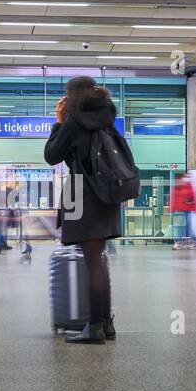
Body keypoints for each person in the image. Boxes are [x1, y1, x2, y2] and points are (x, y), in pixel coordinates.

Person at [44, 76, 123, 344]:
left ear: (71, 96)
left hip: (82, 193)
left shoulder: (75, 122)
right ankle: (106, 324)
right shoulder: (108, 118)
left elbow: (52, 155)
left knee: (92, 263)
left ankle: (93, 328)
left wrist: (59, 121)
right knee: (98, 260)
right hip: (108, 196)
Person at [170, 172, 196, 250]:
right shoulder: (180, 187)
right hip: (182, 209)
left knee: (190, 227)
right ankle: (180, 242)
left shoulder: (189, 187)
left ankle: (191, 241)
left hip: (189, 209)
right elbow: (174, 198)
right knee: (182, 227)